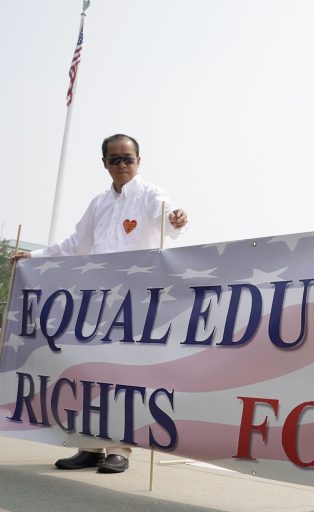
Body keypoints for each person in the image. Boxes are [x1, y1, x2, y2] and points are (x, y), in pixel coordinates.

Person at [11, 133, 188, 473]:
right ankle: (90, 447)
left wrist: (177, 219)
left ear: (139, 161)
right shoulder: (99, 203)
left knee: (124, 375)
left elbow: (169, 218)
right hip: (97, 300)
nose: (122, 165)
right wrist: (33, 256)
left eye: (128, 159)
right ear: (104, 163)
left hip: (135, 302)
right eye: (115, 159)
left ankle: (121, 449)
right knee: (89, 372)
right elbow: (76, 244)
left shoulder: (151, 195)